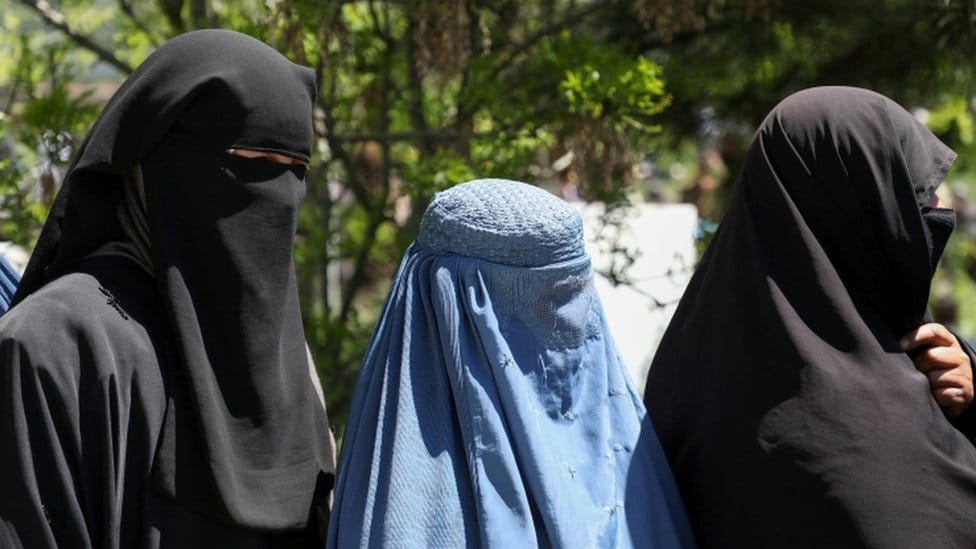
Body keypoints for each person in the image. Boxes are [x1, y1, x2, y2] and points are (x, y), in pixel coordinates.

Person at [0, 30, 335, 548]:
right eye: (251, 165)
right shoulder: (55, 347)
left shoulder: (280, 364)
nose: (277, 199)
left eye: (294, 172)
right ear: (159, 164)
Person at [643, 86, 976, 547]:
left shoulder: (684, 371)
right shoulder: (873, 441)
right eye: (913, 193)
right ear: (859, 215)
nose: (938, 209)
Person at [327, 178, 696, 548]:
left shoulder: (625, 449)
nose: (565, 328)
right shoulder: (411, 509)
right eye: (539, 303)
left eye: (570, 299)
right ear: (453, 306)